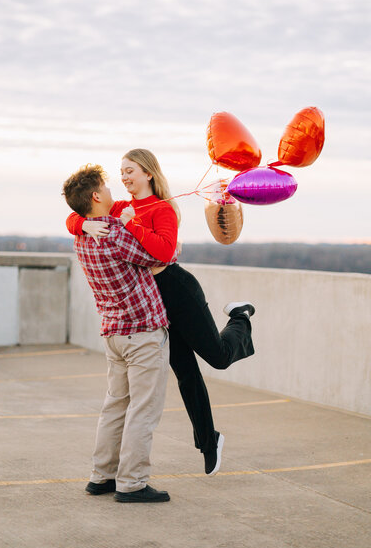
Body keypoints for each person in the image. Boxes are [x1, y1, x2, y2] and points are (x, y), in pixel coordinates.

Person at [66, 149, 255, 477]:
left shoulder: (162, 208)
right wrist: (83, 224)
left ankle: (240, 317)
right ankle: (209, 441)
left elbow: (165, 251)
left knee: (219, 358)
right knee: (185, 373)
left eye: (131, 171)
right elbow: (74, 213)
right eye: (121, 172)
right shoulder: (122, 206)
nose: (124, 177)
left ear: (148, 174)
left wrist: (130, 228)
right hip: (155, 301)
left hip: (178, 290)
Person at [62, 164, 175, 503]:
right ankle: (132, 483)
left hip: (114, 333)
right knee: (143, 410)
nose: (114, 192)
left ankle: (102, 476)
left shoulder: (83, 237)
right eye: (106, 188)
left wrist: (83, 220)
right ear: (96, 196)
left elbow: (75, 222)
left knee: (114, 407)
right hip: (142, 334)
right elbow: (158, 256)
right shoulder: (114, 232)